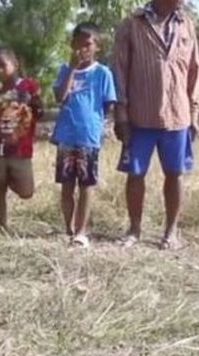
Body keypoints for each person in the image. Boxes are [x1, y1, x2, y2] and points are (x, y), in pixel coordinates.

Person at [113, 0, 199, 250]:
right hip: (140, 115)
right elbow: (119, 70)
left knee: (175, 174)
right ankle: (134, 229)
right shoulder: (133, 23)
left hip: (177, 115)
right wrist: (121, 113)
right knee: (135, 174)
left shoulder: (187, 25)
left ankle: (171, 232)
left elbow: (194, 71)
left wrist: (194, 112)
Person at [51, 22, 117, 248]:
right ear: (71, 45)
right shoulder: (64, 70)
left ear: (97, 46)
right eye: (78, 43)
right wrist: (71, 69)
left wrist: (97, 127)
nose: (82, 48)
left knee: (86, 184)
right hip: (66, 136)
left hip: (88, 137)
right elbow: (60, 97)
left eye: (88, 44)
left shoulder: (102, 73)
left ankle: (81, 231)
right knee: (67, 185)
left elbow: (108, 104)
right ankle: (68, 228)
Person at [0, 47, 44, 231]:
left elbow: (39, 112)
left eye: (2, 65)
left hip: (21, 150)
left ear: (15, 64)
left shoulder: (29, 87)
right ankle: (2, 225)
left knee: (26, 192)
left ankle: (9, 178)